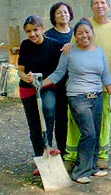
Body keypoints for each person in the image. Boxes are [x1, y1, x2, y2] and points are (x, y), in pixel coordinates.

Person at [42, 18, 111, 184]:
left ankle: (93, 167)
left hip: (97, 96)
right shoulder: (69, 52)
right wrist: (39, 84)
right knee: (88, 132)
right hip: (78, 97)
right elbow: (58, 73)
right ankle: (80, 172)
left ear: (92, 34)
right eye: (80, 33)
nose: (84, 36)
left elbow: (105, 75)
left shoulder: (99, 51)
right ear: (75, 36)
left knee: (95, 133)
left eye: (87, 32)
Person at [63, 0, 111, 171]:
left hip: (104, 84)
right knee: (75, 121)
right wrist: (67, 46)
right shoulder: (84, 25)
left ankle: (101, 155)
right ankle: (71, 155)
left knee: (104, 121)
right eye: (96, 3)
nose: (99, 6)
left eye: (103, 2)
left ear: (109, 6)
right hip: (80, 86)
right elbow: (71, 48)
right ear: (91, 7)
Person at [17, 15, 63, 175]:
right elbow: (20, 70)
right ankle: (40, 158)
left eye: (35, 30)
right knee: (34, 125)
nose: (32, 34)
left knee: (49, 110)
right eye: (28, 31)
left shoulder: (54, 46)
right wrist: (26, 78)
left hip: (46, 87)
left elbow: (61, 66)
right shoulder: (25, 45)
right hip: (28, 89)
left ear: (43, 29)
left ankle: (48, 147)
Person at [44, 1, 74, 156]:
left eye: (65, 12)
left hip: (74, 82)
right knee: (59, 117)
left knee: (74, 118)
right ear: (53, 17)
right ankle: (60, 150)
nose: (63, 15)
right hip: (55, 81)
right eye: (59, 13)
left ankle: (73, 150)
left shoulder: (76, 33)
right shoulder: (48, 35)